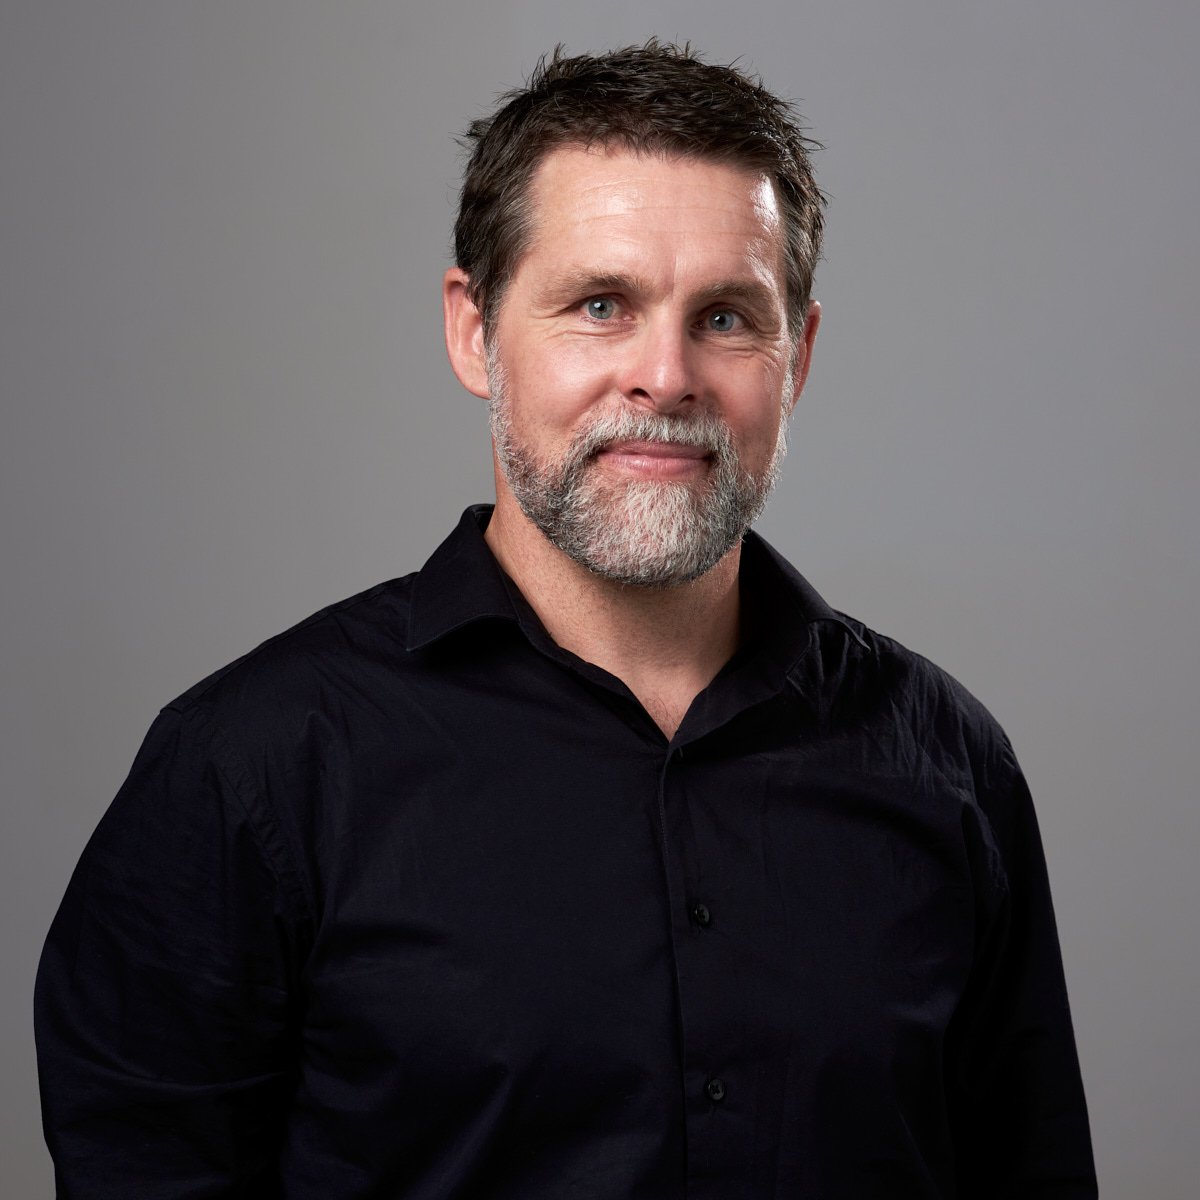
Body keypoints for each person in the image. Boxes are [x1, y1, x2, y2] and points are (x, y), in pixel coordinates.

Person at [35, 41, 1097, 1198]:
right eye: (602, 305)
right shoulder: (252, 770)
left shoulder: (948, 765)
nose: (666, 376)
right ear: (474, 332)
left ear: (797, 361)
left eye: (729, 318)